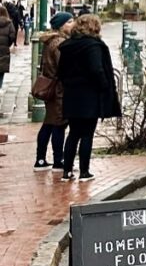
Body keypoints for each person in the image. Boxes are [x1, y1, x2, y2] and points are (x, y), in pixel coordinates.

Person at [56, 13, 121, 182]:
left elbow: (60, 72)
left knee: (73, 134)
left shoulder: (67, 46)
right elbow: (96, 69)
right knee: (87, 134)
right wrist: (104, 85)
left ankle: (67, 172)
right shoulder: (93, 46)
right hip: (89, 96)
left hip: (72, 95)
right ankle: (84, 172)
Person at [34, 11, 75, 171]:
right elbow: (64, 66)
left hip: (54, 87)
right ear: (61, 25)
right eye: (70, 22)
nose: (73, 24)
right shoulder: (59, 43)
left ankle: (41, 159)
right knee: (58, 124)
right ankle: (58, 161)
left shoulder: (54, 40)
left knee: (50, 124)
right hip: (58, 90)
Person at [0, 5, 15, 95]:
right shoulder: (9, 24)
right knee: (1, 72)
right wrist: (7, 44)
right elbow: (12, 36)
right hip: (4, 51)